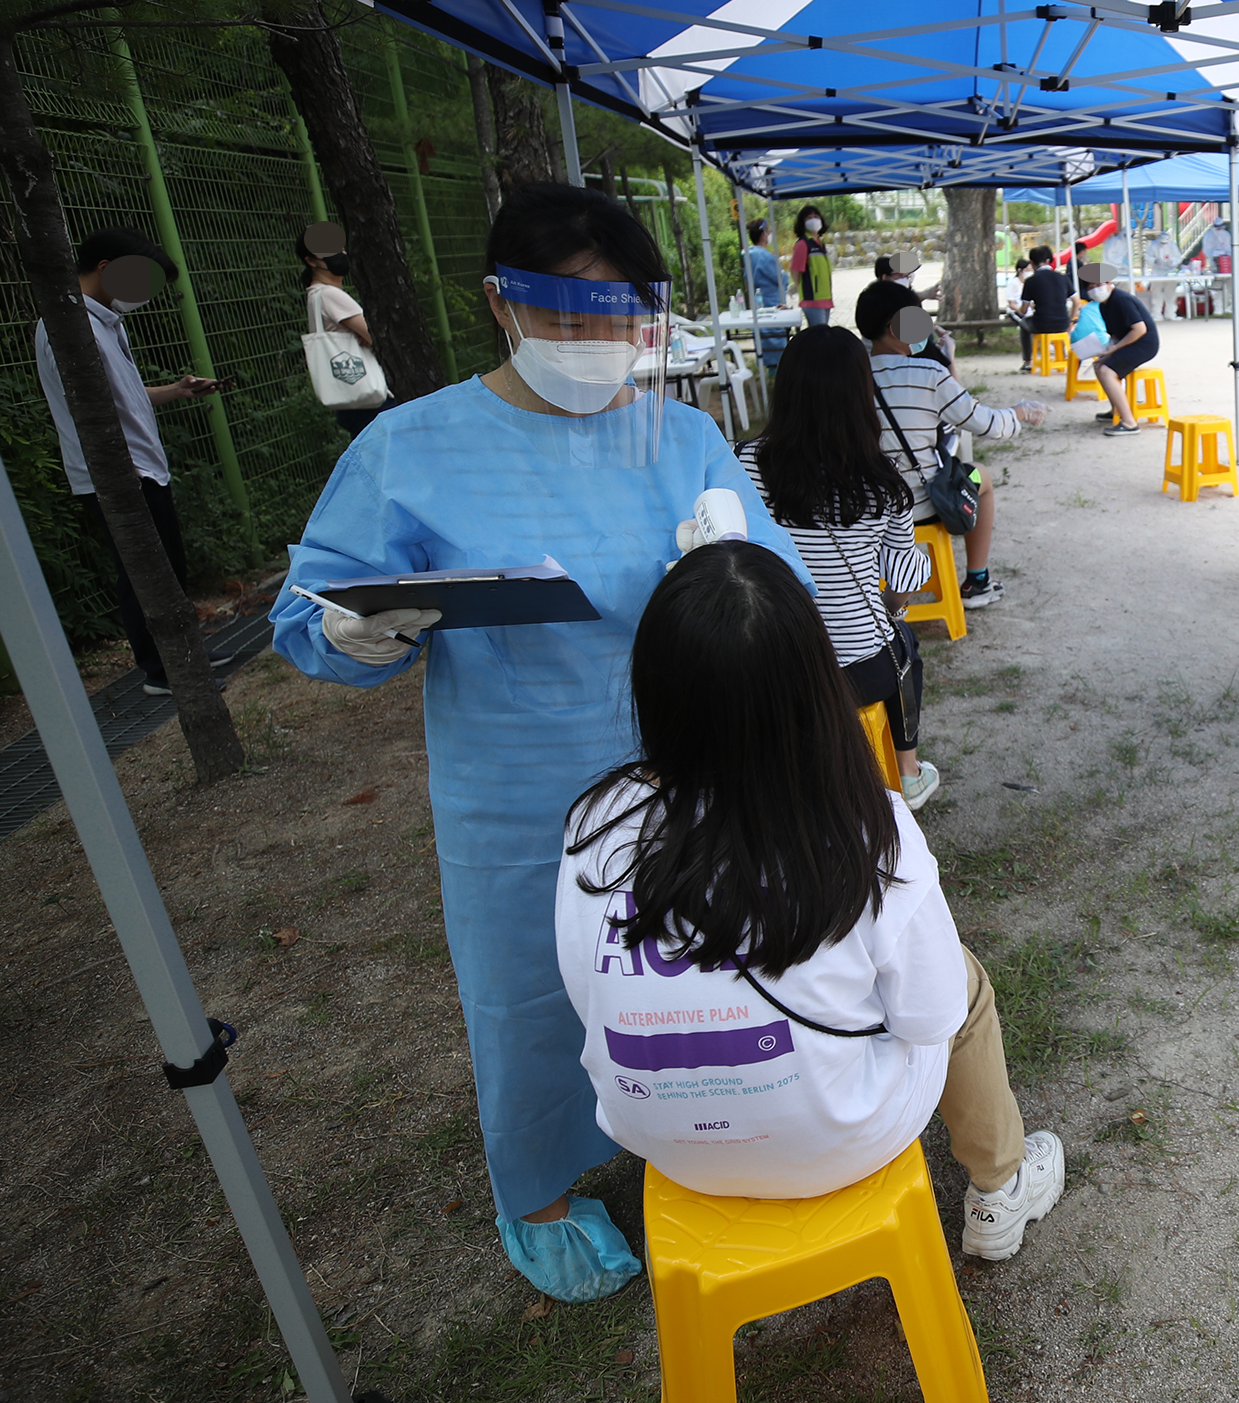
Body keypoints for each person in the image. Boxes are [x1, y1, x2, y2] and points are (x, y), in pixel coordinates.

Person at [271, 183, 809, 1304]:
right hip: (517, 795)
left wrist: (734, 565)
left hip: (687, 772)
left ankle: (706, 1134)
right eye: (565, 316)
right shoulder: (408, 448)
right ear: (500, 305)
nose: (595, 342)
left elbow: (780, 587)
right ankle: (542, 1189)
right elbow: (304, 613)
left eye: (618, 318)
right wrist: (355, 631)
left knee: (698, 969)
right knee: (526, 996)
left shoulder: (683, 432)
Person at [557, 541, 1066, 1257]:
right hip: (835, 1141)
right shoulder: (866, 822)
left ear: (653, 685)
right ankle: (1000, 1189)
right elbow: (928, 1017)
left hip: (662, 1142)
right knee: (963, 981)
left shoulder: (595, 820)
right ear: (813, 680)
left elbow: (589, 997)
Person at [739, 327, 940, 810]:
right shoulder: (885, 482)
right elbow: (903, 584)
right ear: (861, 394)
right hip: (859, 674)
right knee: (903, 644)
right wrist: (896, 601)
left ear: (785, 390)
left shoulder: (747, 465)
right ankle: (908, 772)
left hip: (770, 664)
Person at [34, 227, 232, 697]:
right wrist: (124, 473)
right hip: (118, 476)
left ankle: (182, 655)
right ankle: (161, 671)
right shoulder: (65, 326)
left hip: (145, 467)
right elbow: (88, 410)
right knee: (141, 574)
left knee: (167, 568)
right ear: (107, 268)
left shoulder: (103, 323)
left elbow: (121, 398)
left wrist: (179, 390)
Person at [858, 280, 1047, 610]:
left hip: (865, 505)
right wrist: (1021, 412)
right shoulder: (929, 373)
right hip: (925, 502)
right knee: (980, 478)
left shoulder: (850, 375)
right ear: (895, 327)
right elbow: (987, 423)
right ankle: (977, 580)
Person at [298, 232, 385, 440]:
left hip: (352, 397)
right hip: (368, 398)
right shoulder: (329, 294)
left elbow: (368, 334)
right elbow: (379, 336)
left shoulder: (315, 295)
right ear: (310, 261)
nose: (341, 254)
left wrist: (365, 334)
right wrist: (368, 335)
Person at [1086, 269, 1158, 438]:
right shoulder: (1104, 305)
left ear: (1109, 284)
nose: (1095, 289)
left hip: (1143, 343)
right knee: (1100, 365)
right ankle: (1115, 409)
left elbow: (1139, 329)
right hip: (1130, 342)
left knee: (1106, 371)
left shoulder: (1121, 300)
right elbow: (1115, 333)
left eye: (1099, 285)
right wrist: (1107, 350)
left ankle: (1129, 423)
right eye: (1091, 286)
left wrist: (1115, 349)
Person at [741, 217, 789, 374]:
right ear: (763, 235)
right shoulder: (765, 257)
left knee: (764, 340)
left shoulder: (749, 254)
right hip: (772, 302)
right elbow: (780, 278)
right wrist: (784, 276)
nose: (769, 234)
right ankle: (776, 372)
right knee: (777, 338)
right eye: (768, 231)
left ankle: (770, 371)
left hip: (759, 302)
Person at [1016, 243, 1075, 349]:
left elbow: (1023, 310)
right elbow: (1077, 302)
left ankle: (1028, 361)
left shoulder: (1031, 281)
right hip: (1063, 323)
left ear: (1032, 262)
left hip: (1042, 324)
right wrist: (1070, 321)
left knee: (1023, 324)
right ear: (1048, 261)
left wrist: (1025, 308)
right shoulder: (1063, 278)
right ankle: (1061, 354)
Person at [790, 205, 834, 327]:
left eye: (816, 216)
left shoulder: (820, 243)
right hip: (812, 299)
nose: (813, 220)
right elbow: (795, 269)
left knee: (824, 335)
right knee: (819, 337)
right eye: (809, 217)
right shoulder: (803, 244)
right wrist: (799, 285)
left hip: (826, 298)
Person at [1003, 257, 1035, 371]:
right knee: (1025, 326)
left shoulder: (1029, 283)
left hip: (1028, 310)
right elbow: (1011, 303)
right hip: (1016, 311)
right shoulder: (1014, 283)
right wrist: (1021, 310)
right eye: (1028, 270)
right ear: (1020, 271)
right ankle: (1027, 360)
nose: (1030, 272)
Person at [1147, 230, 1182, 321]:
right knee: (1156, 295)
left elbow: (1178, 258)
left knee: (1170, 294)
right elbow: (1148, 257)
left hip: (1170, 272)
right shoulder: (1153, 245)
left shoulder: (1173, 245)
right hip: (1157, 272)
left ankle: (1170, 314)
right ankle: (1156, 314)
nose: (1163, 244)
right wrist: (1155, 261)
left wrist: (1172, 262)